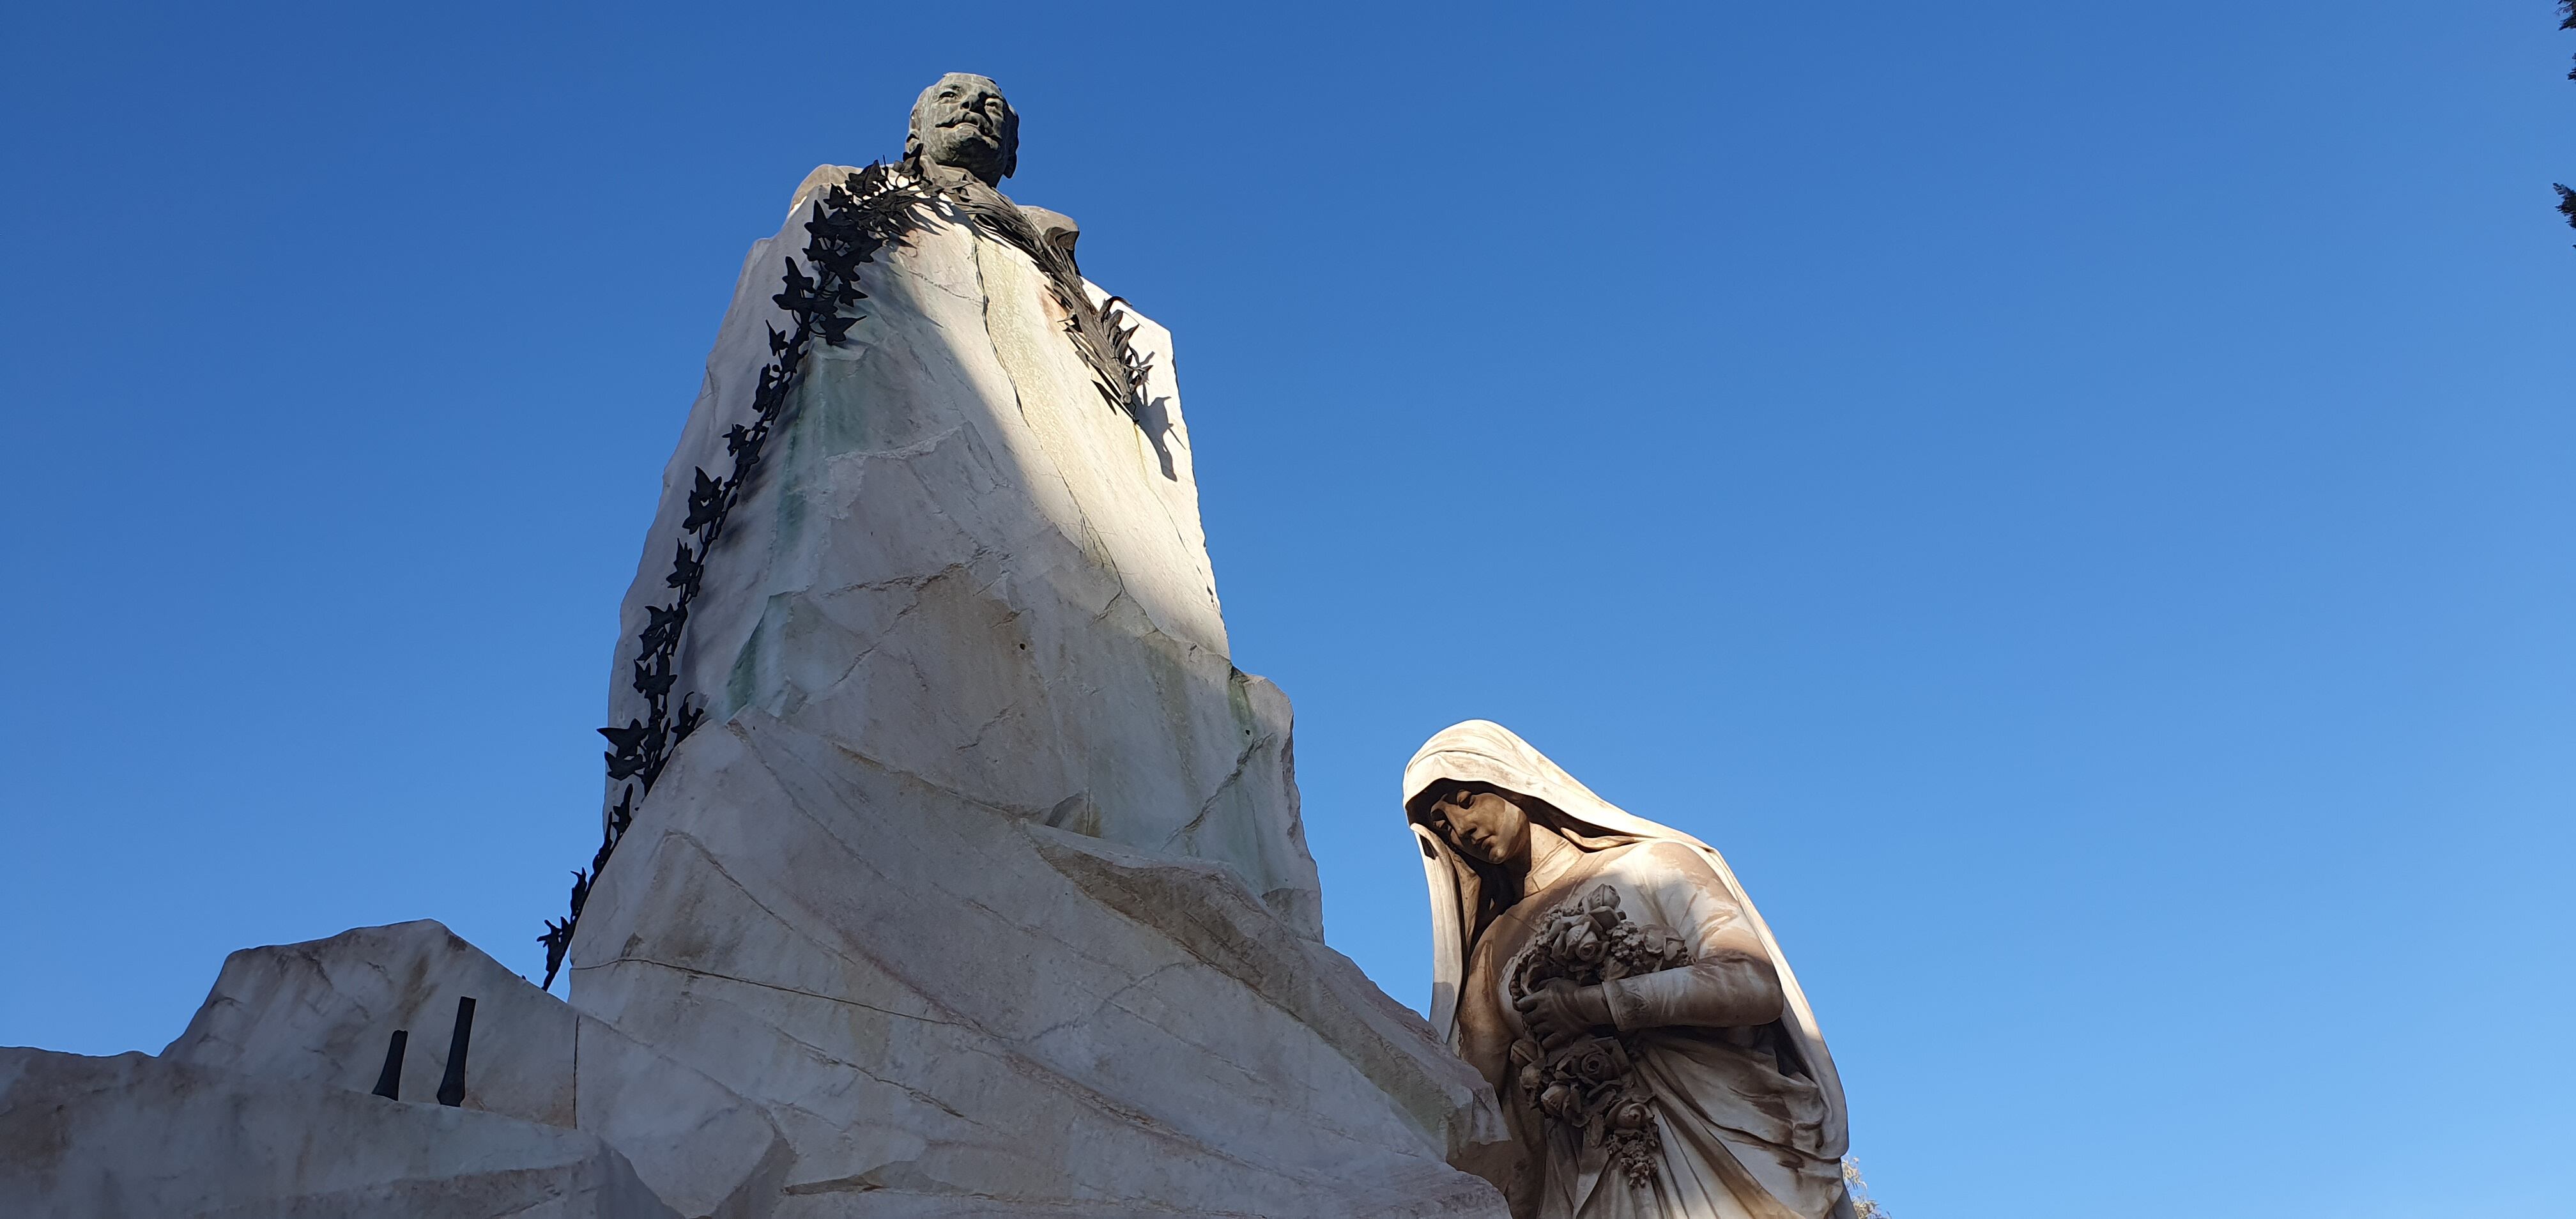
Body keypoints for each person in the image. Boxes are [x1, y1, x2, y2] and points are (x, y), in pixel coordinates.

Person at [1404, 720, 1853, 1219]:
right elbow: (1481, 1116)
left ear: (1511, 780)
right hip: (1594, 1186)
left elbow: (1753, 985)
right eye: (1443, 826)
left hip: (1733, 1150)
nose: (1463, 829)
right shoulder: (1493, 952)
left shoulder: (1656, 865)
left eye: (1467, 800)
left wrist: (1594, 1005)